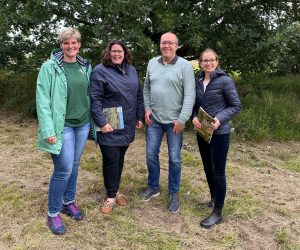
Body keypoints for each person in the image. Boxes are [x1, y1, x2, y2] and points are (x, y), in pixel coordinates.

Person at [36, 27, 92, 234]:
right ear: (61, 45)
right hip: (62, 126)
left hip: (83, 123)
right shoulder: (49, 67)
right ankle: (53, 213)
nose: (71, 46)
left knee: (75, 165)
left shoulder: (85, 66)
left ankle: (68, 202)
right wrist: (47, 130)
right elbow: (42, 100)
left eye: (74, 42)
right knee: (63, 169)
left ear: (79, 44)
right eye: (66, 43)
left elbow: (89, 92)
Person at [139, 32, 196, 213]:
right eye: (164, 43)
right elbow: (147, 87)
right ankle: (153, 187)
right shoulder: (152, 63)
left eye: (170, 43)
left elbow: (190, 95)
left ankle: (173, 193)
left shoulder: (185, 66)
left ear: (177, 46)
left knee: (175, 158)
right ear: (160, 45)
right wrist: (147, 108)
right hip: (154, 119)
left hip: (174, 122)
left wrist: (182, 119)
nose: (167, 46)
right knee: (150, 154)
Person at [90, 40, 144, 215]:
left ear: (124, 53)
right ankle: (111, 197)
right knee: (111, 158)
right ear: (108, 52)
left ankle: (114, 189)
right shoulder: (100, 71)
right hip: (109, 124)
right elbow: (95, 99)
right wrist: (102, 122)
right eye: (113, 51)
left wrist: (139, 116)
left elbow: (138, 95)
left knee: (120, 157)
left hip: (127, 124)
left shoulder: (131, 70)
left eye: (119, 51)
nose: (116, 54)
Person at [192, 48, 242, 228]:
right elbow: (194, 104)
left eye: (212, 60)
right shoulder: (197, 80)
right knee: (207, 166)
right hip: (203, 132)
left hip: (219, 134)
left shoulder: (225, 81)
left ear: (217, 62)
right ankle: (213, 199)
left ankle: (218, 212)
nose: (209, 63)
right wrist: (193, 117)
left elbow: (236, 106)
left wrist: (219, 118)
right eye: (205, 60)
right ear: (200, 63)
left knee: (218, 171)